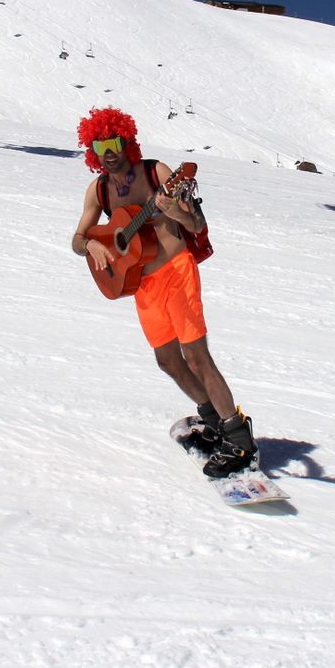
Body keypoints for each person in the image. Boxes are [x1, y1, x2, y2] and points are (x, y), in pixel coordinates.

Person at [70, 106, 257, 477]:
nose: (108, 151)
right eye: (99, 144)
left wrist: (175, 211)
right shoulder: (99, 190)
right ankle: (213, 420)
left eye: (114, 141)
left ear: (127, 141)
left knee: (196, 356)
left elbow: (197, 222)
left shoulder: (157, 173)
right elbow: (78, 239)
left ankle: (238, 441)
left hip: (176, 271)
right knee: (168, 361)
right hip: (142, 283)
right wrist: (91, 246)